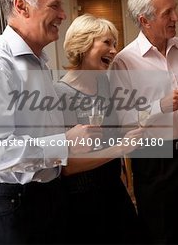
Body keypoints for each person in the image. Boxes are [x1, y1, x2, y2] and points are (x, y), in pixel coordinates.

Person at [0, 0, 95, 244]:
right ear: (21, 6)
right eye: (54, 5)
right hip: (12, 205)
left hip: (48, 196)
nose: (63, 15)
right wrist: (63, 144)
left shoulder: (40, 62)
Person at [109, 0, 178, 245]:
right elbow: (123, 120)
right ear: (144, 20)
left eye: (174, 9)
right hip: (153, 157)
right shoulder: (124, 62)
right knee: (158, 231)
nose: (176, 17)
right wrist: (161, 105)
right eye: (167, 14)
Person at [53, 14, 143, 244]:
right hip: (82, 202)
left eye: (114, 43)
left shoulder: (106, 84)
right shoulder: (60, 94)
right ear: (83, 44)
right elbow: (68, 167)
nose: (114, 50)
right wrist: (119, 149)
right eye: (106, 42)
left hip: (113, 191)